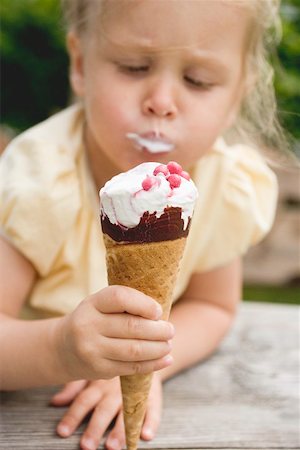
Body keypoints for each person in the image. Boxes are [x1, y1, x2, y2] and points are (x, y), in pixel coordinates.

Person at [0, 0, 284, 449]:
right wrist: (59, 348)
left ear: (236, 97)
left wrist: (147, 363)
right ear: (80, 65)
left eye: (198, 80)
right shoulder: (41, 182)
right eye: (133, 67)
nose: (162, 103)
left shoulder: (221, 184)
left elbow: (214, 307)